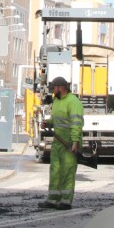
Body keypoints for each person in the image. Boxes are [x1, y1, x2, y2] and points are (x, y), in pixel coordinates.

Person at [39, 76, 83, 210]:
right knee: (55, 170)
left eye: (54, 88)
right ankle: (52, 199)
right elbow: (56, 119)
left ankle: (65, 201)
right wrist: (48, 122)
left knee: (67, 171)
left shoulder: (73, 102)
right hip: (58, 141)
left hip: (69, 142)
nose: (53, 91)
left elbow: (77, 123)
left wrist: (75, 141)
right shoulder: (57, 101)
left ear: (61, 88)